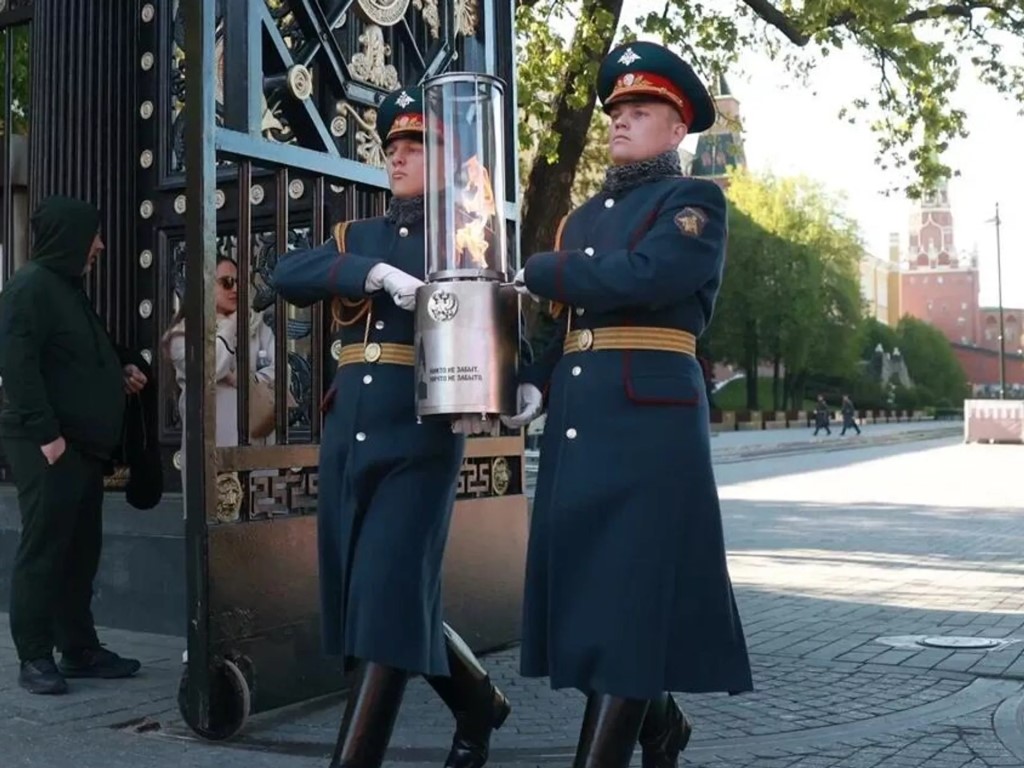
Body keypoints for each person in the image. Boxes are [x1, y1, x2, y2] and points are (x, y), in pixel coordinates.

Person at [505, 41, 753, 766]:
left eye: (640, 110)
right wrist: (534, 379)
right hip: (581, 425)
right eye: (617, 109)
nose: (620, 118)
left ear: (676, 130)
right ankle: (661, 723)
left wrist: (548, 270)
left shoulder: (694, 201)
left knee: (632, 598)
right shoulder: (581, 218)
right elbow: (562, 325)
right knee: (593, 601)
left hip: (651, 427)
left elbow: (649, 275)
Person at [271, 86, 509, 768]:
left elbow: (496, 323)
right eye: (393, 147)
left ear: (449, 159)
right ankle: (476, 702)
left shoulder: (467, 233)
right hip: (351, 432)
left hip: (420, 432)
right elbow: (286, 273)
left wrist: (516, 377)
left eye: (417, 146)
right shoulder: (359, 236)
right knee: (374, 593)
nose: (398, 157)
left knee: (383, 600)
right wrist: (370, 273)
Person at [0, 196, 145, 695]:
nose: (100, 245)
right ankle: (34, 655)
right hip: (47, 444)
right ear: (69, 237)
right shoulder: (30, 287)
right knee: (45, 548)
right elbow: (17, 364)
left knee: (80, 550)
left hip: (81, 446)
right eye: (93, 235)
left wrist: (121, 367)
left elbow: (79, 354)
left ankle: (79, 649)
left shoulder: (66, 290)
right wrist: (47, 436)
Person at [162, 255, 280, 454]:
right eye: (227, 282)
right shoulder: (182, 336)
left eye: (239, 282)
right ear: (205, 286)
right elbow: (211, 367)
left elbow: (281, 369)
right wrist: (230, 326)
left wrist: (247, 379)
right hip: (210, 448)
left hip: (256, 445)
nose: (235, 289)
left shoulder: (257, 327)